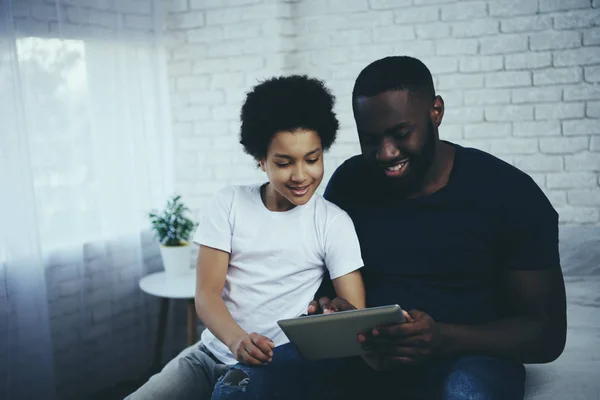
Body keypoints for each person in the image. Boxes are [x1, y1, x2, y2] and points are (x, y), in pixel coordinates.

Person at [212, 56, 567, 400]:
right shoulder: (350, 182)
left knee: (468, 392)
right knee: (240, 384)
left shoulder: (509, 193)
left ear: (436, 112)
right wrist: (332, 310)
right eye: (371, 138)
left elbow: (546, 335)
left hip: (467, 357)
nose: (385, 152)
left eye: (401, 133)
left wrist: (442, 337)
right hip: (366, 357)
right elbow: (332, 282)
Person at [125, 75, 366, 399]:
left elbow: (355, 315)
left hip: (274, 365)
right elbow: (206, 294)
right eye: (284, 162)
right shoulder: (230, 203)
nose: (300, 175)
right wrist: (237, 340)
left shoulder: (333, 223)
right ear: (260, 159)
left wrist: (337, 316)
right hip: (210, 353)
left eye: (312, 159)